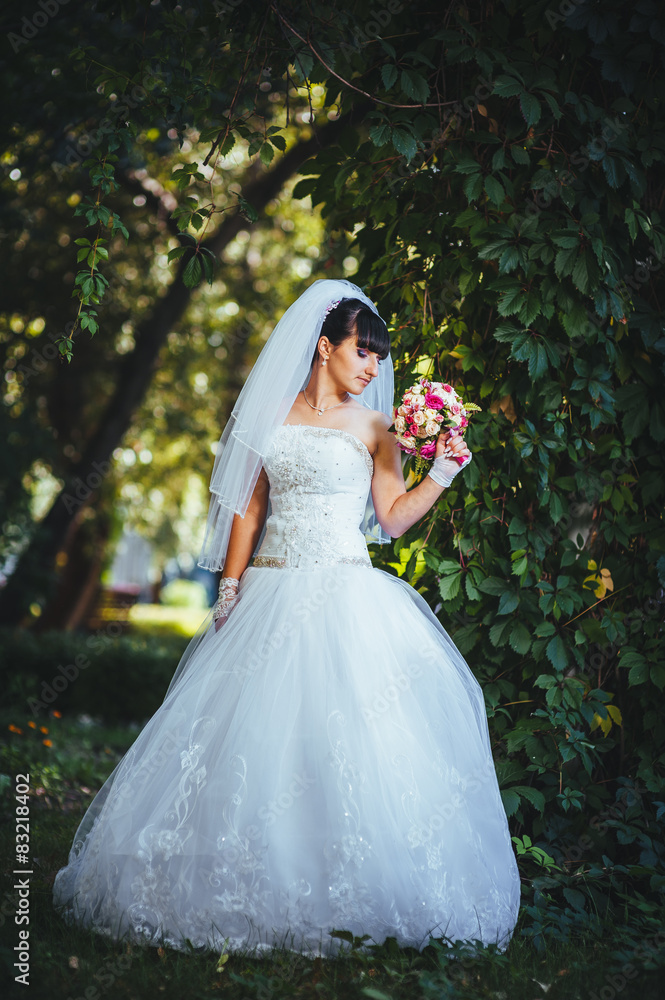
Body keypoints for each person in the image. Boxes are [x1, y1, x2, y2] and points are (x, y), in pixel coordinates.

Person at [53, 278, 521, 958]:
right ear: (324, 345)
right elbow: (248, 505)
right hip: (269, 591)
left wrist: (442, 474)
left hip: (345, 596)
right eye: (362, 353)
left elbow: (390, 517)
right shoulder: (269, 414)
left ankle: (354, 889)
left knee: (349, 741)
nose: (370, 369)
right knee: (243, 738)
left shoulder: (375, 427)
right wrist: (231, 584)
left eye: (377, 360)